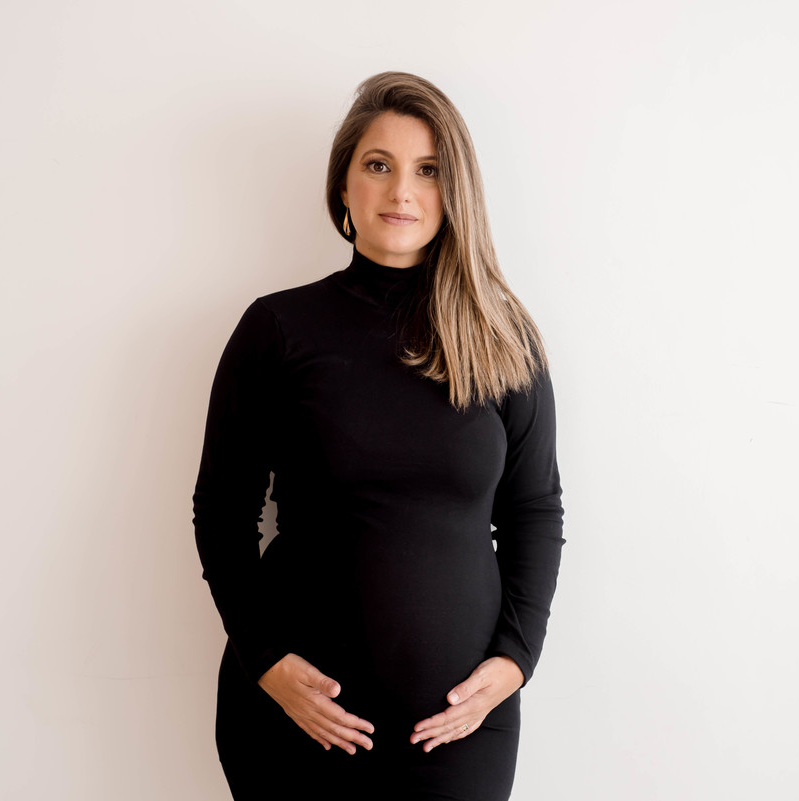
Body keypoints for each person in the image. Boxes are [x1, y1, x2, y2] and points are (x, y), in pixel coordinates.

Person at [191, 71, 565, 800]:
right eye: (378, 164)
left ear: (455, 192)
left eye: (428, 170)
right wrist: (266, 661)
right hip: (297, 726)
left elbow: (534, 510)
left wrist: (515, 661)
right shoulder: (277, 330)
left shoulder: (502, 339)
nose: (401, 191)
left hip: (458, 733)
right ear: (343, 185)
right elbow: (222, 511)